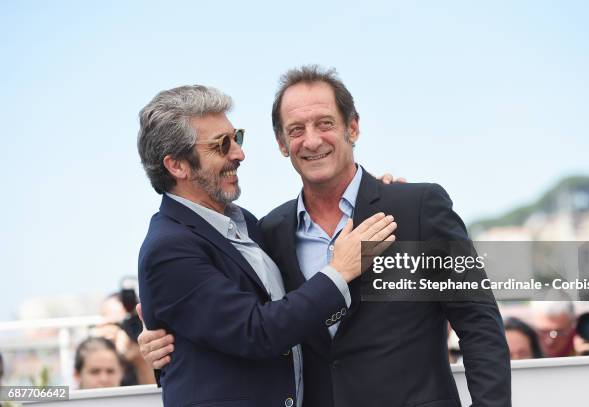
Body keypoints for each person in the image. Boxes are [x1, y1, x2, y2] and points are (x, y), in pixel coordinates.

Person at [140, 66, 511, 407]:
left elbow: (478, 323)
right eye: (296, 130)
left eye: (325, 123)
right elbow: (255, 325)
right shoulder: (269, 231)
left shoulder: (416, 207)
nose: (312, 140)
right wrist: (168, 344)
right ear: (282, 144)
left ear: (353, 128)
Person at [136, 85, 396, 407]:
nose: (239, 154)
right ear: (177, 166)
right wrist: (339, 270)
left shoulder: (251, 225)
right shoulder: (168, 250)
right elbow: (257, 331)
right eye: (222, 145)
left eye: (237, 137)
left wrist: (379, 194)